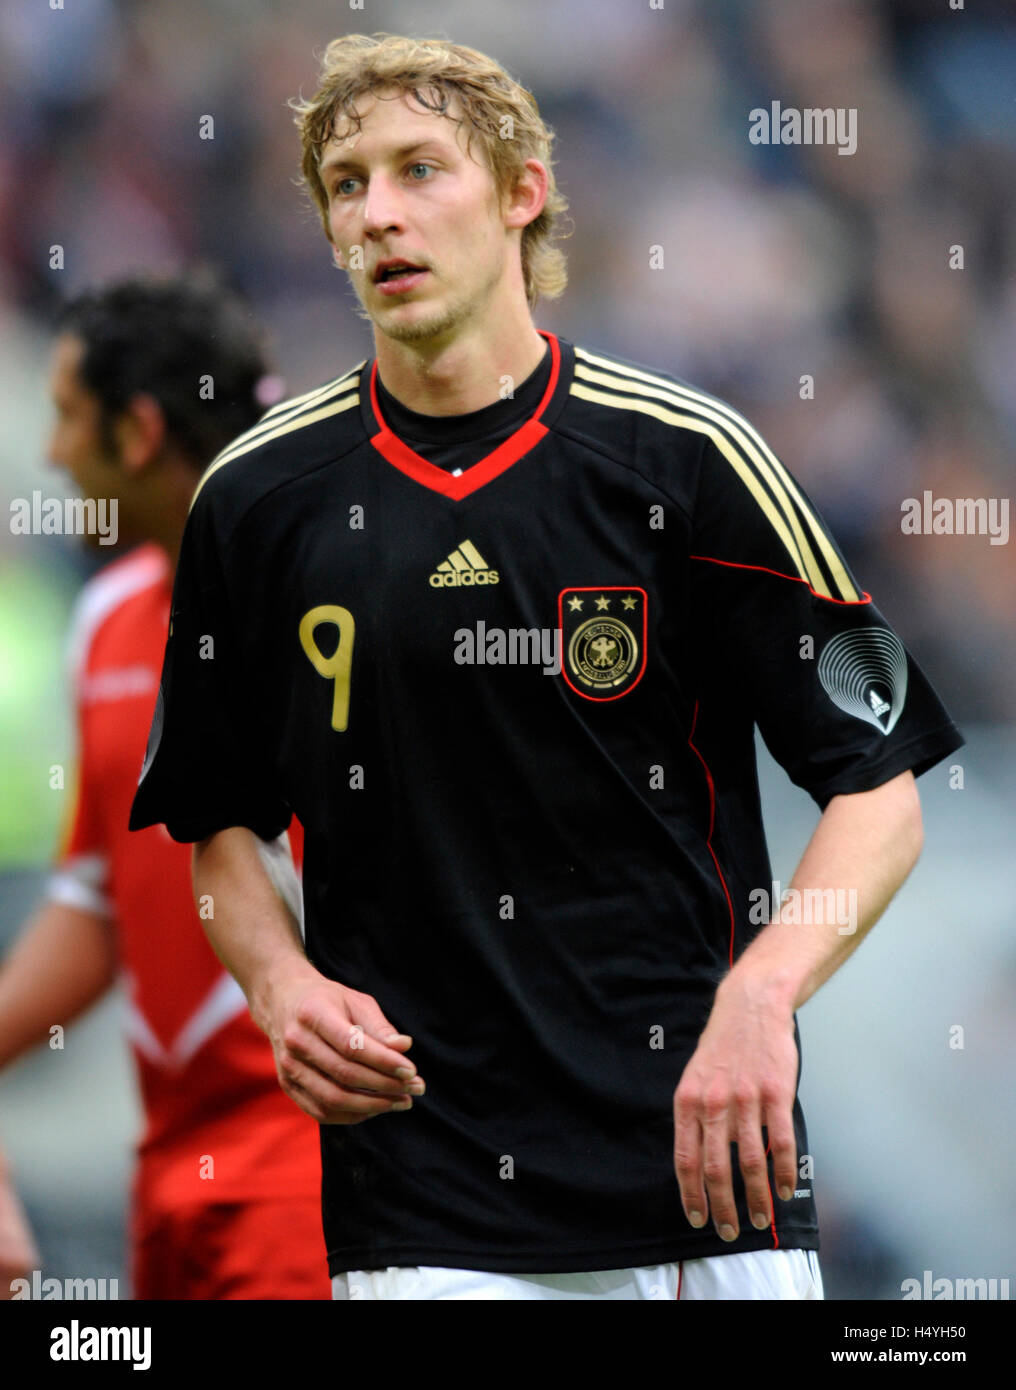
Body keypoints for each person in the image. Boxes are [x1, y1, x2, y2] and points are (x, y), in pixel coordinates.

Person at [129, 35, 964, 1301]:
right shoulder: (257, 501)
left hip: (701, 1174)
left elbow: (879, 789)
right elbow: (216, 823)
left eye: (419, 169)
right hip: (423, 1198)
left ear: (521, 192)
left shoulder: (687, 459)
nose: (378, 212)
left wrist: (761, 994)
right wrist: (280, 982)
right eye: (347, 184)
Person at [0, 276, 329, 1300]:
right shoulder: (105, 615)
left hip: (315, 1177)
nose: (53, 452)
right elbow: (98, 896)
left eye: (68, 416)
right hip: (169, 1178)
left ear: (140, 431)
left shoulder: (337, 601)